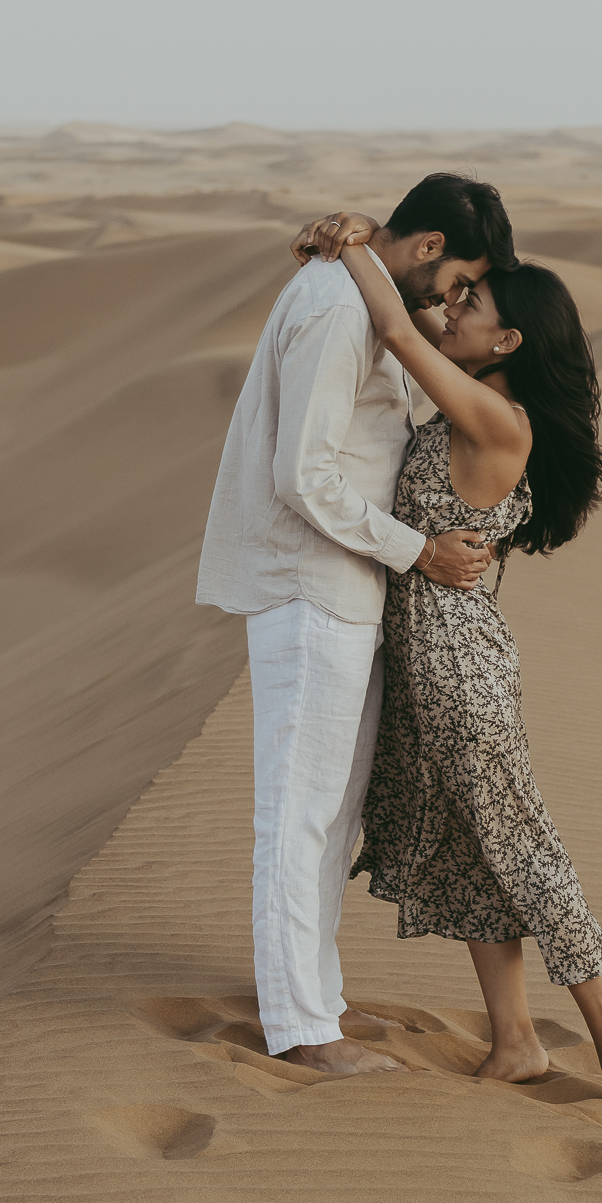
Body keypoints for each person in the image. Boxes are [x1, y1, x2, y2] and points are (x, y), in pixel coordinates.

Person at [289, 208, 602, 1107]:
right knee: (468, 848)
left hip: (458, 671)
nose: (452, 308)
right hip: (428, 662)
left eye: (473, 301)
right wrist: (391, 242)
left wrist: (355, 251)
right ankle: (518, 1040)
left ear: (510, 339)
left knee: (517, 846)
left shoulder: (497, 417)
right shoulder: (476, 389)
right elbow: (409, 314)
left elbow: (389, 322)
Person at [197, 174, 513, 1076]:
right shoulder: (340, 309)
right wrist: (418, 550)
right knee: (299, 813)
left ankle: (319, 999)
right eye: (458, 282)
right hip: (311, 585)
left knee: (332, 813)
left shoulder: (360, 292)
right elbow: (305, 475)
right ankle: (300, 1031)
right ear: (425, 250)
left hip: (346, 585)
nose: (455, 302)